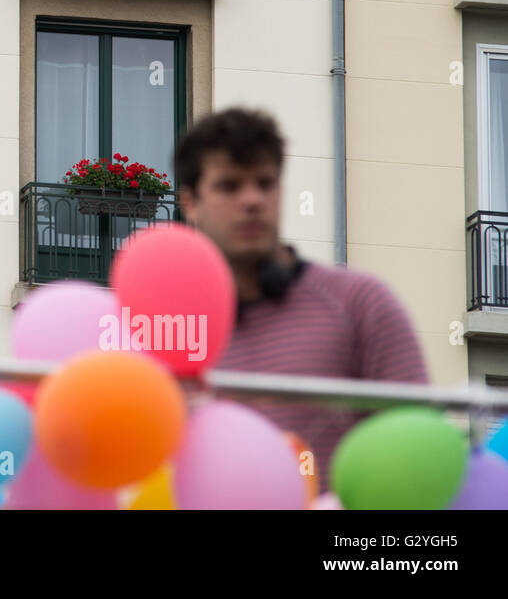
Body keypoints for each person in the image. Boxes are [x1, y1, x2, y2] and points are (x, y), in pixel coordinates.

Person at [174, 107, 427, 485]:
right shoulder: (164, 328)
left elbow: (419, 456)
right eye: (229, 186)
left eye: (265, 183)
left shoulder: (360, 303)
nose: (252, 200)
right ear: (190, 203)